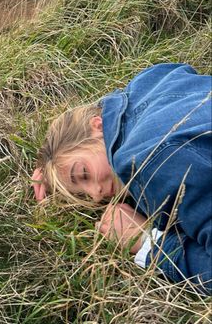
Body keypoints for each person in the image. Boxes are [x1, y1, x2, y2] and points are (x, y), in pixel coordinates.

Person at [31, 63, 212, 294]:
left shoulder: (153, 164)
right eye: (82, 193)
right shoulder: (148, 82)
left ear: (97, 125)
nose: (96, 195)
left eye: (83, 173)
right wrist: (47, 165)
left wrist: (149, 243)